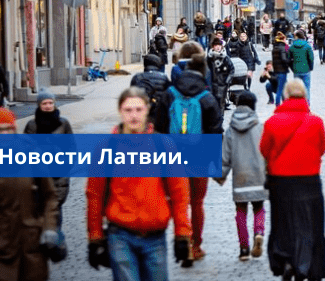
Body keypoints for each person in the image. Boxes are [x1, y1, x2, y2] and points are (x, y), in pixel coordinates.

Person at [86, 87, 191, 277]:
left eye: (138, 109)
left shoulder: (163, 145)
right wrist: (95, 237)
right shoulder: (106, 148)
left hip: (155, 236)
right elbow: (95, 194)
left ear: (147, 110)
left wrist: (182, 234)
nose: (133, 116)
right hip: (120, 235)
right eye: (128, 110)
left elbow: (179, 192)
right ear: (120, 111)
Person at [0, 107, 60, 281]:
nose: (4, 134)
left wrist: (50, 228)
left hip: (32, 247)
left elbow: (50, 196)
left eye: (9, 128)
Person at [155, 54, 223, 267]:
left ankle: (181, 241)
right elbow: (216, 132)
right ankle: (195, 245)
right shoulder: (207, 97)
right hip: (199, 156)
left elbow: (158, 128)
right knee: (197, 202)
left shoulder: (169, 94)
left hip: (172, 155)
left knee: (178, 201)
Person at [260, 80, 325, 281]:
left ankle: (286, 259)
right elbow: (322, 147)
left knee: (283, 222)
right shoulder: (316, 122)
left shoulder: (272, 122)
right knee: (310, 224)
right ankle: (307, 264)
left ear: (285, 96)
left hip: (280, 180)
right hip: (308, 179)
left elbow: (264, 149)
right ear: (305, 96)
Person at [217, 90, 267, 261]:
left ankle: (244, 249)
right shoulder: (260, 127)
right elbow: (268, 152)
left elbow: (225, 155)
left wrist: (221, 175)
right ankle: (259, 233)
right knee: (259, 208)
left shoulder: (231, 131)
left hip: (240, 176)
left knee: (241, 211)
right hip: (258, 175)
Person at [24, 89, 73, 241]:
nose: (48, 106)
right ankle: (41, 235)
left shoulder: (63, 124)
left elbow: (71, 148)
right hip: (38, 175)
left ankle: (56, 239)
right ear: (39, 105)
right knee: (38, 206)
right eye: (44, 103)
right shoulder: (32, 125)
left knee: (56, 207)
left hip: (58, 174)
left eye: (50, 103)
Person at [206, 38, 235, 111]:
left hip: (222, 84)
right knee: (212, 104)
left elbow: (232, 69)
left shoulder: (225, 58)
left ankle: (220, 120)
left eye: (219, 45)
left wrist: (227, 81)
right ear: (213, 47)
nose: (218, 47)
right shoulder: (209, 58)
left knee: (221, 104)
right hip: (212, 85)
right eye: (216, 45)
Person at [289, 30, 315, 100]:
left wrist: (293, 68)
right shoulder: (307, 46)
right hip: (306, 69)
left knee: (297, 89)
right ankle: (306, 106)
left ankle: (298, 105)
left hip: (296, 70)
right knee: (306, 89)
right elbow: (311, 58)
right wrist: (311, 67)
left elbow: (289, 59)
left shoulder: (292, 46)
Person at [271, 32, 292, 105]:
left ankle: (285, 103)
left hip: (277, 70)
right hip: (282, 70)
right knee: (280, 89)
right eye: (285, 39)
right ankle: (278, 105)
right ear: (283, 39)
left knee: (284, 87)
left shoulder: (275, 48)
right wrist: (290, 61)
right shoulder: (283, 47)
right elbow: (284, 58)